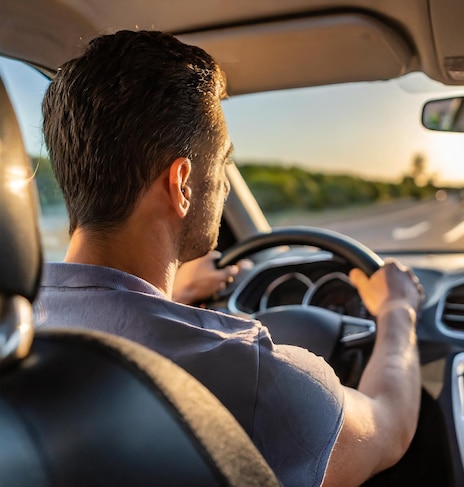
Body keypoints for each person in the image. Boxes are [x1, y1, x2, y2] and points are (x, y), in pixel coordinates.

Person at [36, 30, 423, 487]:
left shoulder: (17, 328)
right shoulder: (245, 377)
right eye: (221, 165)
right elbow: (388, 428)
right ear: (182, 183)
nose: (220, 186)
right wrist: (398, 311)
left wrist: (172, 293)